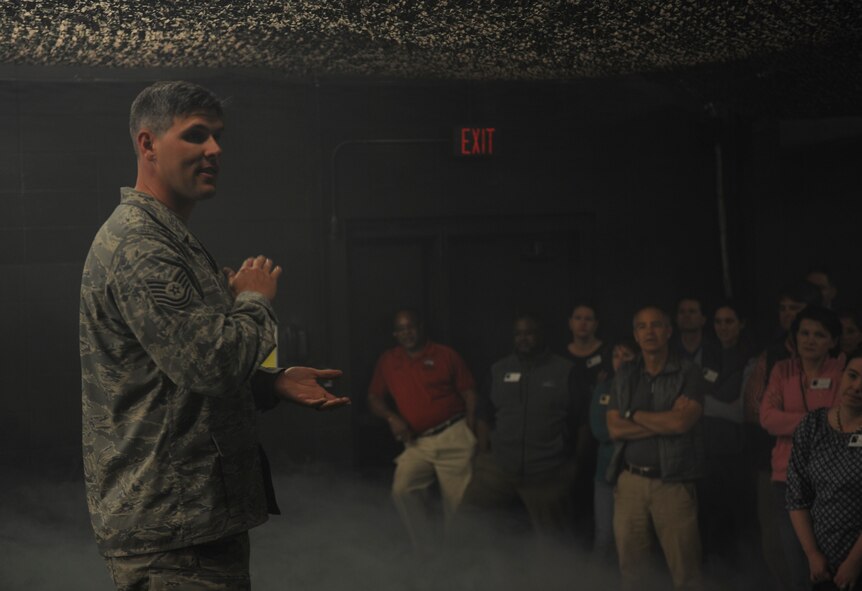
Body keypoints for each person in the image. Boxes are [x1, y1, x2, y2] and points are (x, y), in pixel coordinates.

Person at [80, 80, 350, 590]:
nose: (214, 150)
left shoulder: (166, 239)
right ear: (148, 144)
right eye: (196, 136)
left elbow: (175, 380)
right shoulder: (142, 246)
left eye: (217, 137)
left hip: (188, 528)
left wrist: (270, 385)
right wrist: (254, 299)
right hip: (173, 541)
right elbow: (212, 364)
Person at [607, 305, 708, 591]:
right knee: (633, 573)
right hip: (630, 483)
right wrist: (664, 420)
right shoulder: (626, 373)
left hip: (673, 482)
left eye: (656, 325)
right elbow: (614, 428)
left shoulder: (688, 372)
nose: (649, 332)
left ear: (668, 331)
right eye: (642, 326)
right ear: (635, 335)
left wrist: (634, 415)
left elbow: (681, 424)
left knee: (686, 574)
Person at [462, 314, 583, 536]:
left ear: (541, 335)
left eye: (529, 333)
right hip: (499, 466)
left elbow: (582, 421)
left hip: (546, 471)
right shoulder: (498, 370)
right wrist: (483, 454)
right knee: (468, 521)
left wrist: (574, 464)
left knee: (555, 542)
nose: (523, 338)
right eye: (518, 334)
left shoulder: (565, 370)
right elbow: (484, 414)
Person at [367, 309, 477, 548]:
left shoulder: (445, 354)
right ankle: (427, 550)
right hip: (418, 442)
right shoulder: (389, 360)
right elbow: (374, 397)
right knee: (402, 490)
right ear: (395, 334)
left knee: (458, 505)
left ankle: (458, 559)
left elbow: (469, 393)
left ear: (421, 327)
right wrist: (391, 417)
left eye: (411, 327)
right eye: (401, 329)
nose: (407, 333)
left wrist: (469, 429)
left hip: (452, 434)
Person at [741, 280, 822, 590]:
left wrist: (784, 416)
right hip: (772, 464)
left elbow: (840, 417)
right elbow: (755, 411)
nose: (787, 315)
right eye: (783, 308)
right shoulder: (773, 355)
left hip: (823, 468)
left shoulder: (836, 357)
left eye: (796, 309)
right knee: (776, 543)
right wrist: (807, 419)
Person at [760, 305, 844, 591]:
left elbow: (841, 420)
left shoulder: (843, 369)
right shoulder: (782, 369)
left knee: (833, 567)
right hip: (787, 480)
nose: (810, 340)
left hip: (832, 482)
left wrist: (793, 423)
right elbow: (767, 418)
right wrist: (815, 421)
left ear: (833, 341)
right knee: (797, 567)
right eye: (804, 333)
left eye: (819, 335)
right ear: (794, 337)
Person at [787, 349, 862, 591]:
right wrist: (812, 553)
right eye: (852, 375)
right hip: (819, 560)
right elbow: (797, 495)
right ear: (842, 375)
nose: (857, 386)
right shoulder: (812, 425)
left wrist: (853, 562)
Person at [589, 340, 637, 562]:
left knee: (633, 539)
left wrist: (622, 427)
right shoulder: (603, 388)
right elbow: (601, 430)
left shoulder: (644, 387)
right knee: (605, 537)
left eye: (625, 354)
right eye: (616, 355)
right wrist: (637, 428)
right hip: (606, 474)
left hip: (637, 475)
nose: (620, 360)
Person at [673, 296, 722, 370]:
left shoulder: (717, 349)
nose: (686, 316)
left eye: (692, 311)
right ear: (676, 319)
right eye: (682, 312)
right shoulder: (668, 350)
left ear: (703, 319)